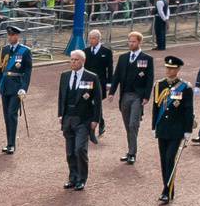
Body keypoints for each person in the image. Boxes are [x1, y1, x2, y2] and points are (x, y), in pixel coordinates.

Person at [57, 49, 103, 192]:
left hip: (83, 119)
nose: (73, 62)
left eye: (76, 60)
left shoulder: (91, 77)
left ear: (82, 61)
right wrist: (60, 114)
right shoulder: (65, 76)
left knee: (80, 149)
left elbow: (97, 101)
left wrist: (96, 119)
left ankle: (81, 179)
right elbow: (61, 96)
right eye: (71, 59)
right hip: (67, 118)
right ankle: (73, 177)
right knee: (70, 151)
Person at [151, 56, 194, 205]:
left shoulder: (185, 87)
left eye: (172, 68)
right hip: (162, 128)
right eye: (167, 68)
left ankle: (166, 191)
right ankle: (168, 188)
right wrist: (153, 127)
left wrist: (188, 130)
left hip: (177, 129)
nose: (169, 70)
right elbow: (155, 108)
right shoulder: (159, 85)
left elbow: (188, 110)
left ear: (178, 70)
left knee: (170, 158)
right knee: (164, 160)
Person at [111, 32, 155, 166]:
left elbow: (149, 78)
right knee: (127, 125)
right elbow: (117, 75)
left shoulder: (147, 58)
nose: (131, 44)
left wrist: (147, 96)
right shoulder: (123, 58)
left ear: (139, 42)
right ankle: (130, 150)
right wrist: (112, 92)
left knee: (133, 124)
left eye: (133, 42)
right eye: (129, 41)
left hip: (137, 96)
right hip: (125, 95)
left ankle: (132, 153)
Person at [0, 25, 32, 154]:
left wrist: (24, 88)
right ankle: (9, 142)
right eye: (9, 35)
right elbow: (0, 70)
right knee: (6, 115)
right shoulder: (3, 50)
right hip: (5, 85)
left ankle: (12, 144)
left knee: (11, 114)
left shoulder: (24, 51)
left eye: (13, 35)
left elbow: (27, 71)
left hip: (16, 86)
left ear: (17, 36)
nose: (10, 37)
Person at [81, 30, 114, 141]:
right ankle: (101, 123)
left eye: (93, 38)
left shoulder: (106, 52)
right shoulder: (85, 51)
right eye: (90, 38)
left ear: (99, 39)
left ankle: (93, 131)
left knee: (95, 103)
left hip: (101, 82)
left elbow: (110, 68)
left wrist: (110, 83)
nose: (91, 40)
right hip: (87, 83)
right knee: (90, 104)